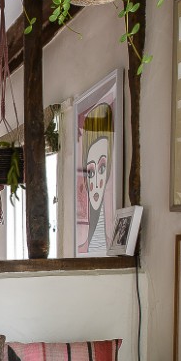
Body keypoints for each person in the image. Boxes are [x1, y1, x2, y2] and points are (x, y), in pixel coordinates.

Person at [81, 102, 113, 255]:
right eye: (91, 172)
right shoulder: (81, 248)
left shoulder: (111, 243)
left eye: (102, 169)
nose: (96, 182)